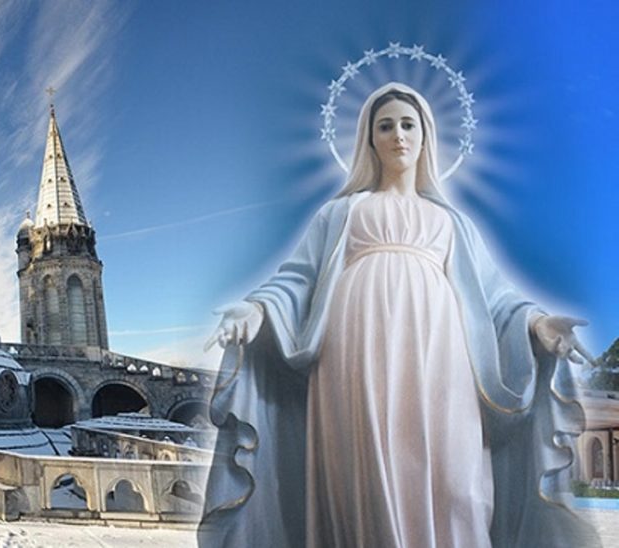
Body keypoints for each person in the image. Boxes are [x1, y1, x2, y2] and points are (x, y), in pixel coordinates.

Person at [197, 82, 601, 548]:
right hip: (353, 354)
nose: (398, 136)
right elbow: (298, 279)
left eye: (408, 125)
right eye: (384, 126)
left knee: (458, 483)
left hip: (443, 358)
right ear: (369, 139)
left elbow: (495, 296)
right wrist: (257, 307)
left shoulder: (452, 223)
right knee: (363, 479)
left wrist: (538, 324)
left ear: (426, 136)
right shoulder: (342, 212)